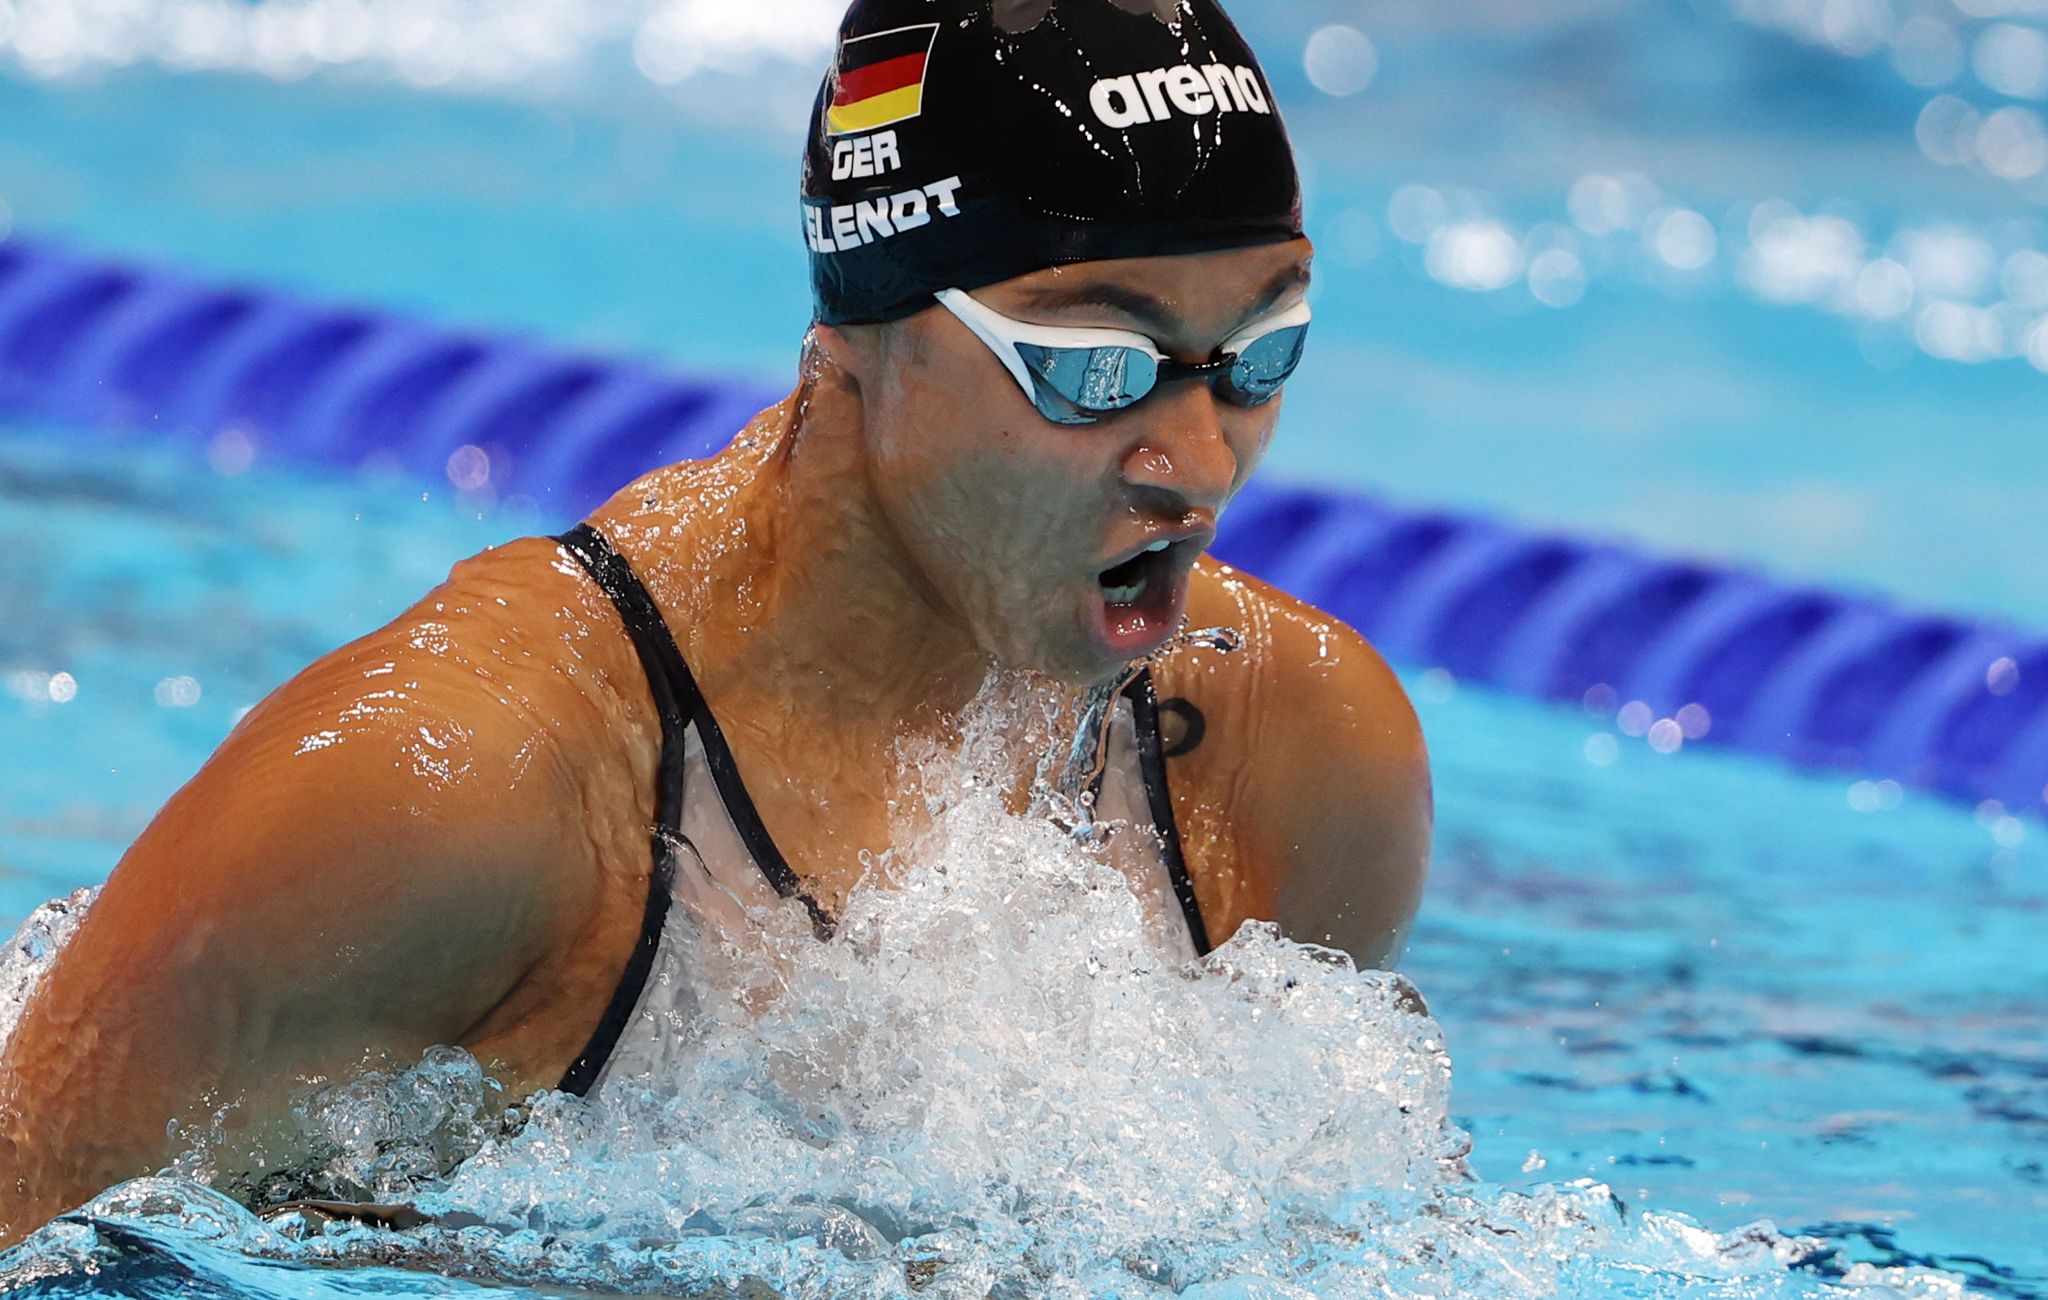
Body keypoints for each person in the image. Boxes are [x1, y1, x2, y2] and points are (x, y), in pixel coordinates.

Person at [0, 0, 1431, 1246]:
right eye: (1096, 369)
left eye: (1261, 355)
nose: (1203, 461)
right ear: (866, 343)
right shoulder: (452, 791)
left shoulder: (1286, 755)